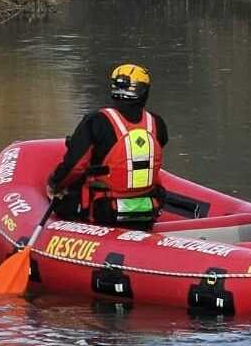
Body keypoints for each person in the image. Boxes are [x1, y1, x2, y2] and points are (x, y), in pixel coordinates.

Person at [46, 63, 168, 230]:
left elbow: (75, 166)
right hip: (147, 209)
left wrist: (54, 184)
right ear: (144, 92)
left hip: (104, 211)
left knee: (69, 195)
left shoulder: (96, 121)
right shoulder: (157, 123)